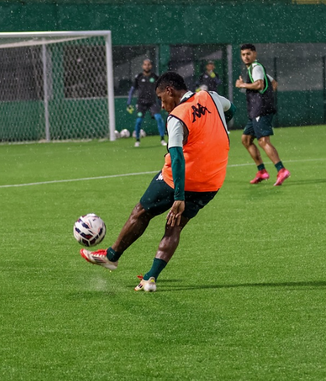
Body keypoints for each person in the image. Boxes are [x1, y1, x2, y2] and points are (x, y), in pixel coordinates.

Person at [81, 72, 233, 292]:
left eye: (162, 98)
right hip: (211, 182)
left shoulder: (177, 117)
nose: (162, 105)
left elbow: (178, 158)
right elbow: (232, 109)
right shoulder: (210, 97)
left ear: (170, 90)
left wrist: (179, 196)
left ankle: (112, 256)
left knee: (141, 211)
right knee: (175, 227)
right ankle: (150, 278)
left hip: (178, 179)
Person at [235, 43, 290, 186]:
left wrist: (243, 86)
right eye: (243, 54)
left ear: (255, 54)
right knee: (246, 139)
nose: (246, 57)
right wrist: (266, 97)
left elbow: (259, 85)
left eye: (248, 54)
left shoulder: (256, 67)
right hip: (256, 110)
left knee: (263, 141)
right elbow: (273, 83)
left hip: (260, 110)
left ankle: (281, 170)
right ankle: (262, 171)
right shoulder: (253, 68)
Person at [127, 59, 166, 147]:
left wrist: (162, 102)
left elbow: (161, 90)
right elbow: (132, 90)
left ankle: (162, 139)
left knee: (159, 118)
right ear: (142, 66)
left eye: (148, 64)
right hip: (141, 103)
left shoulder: (155, 77)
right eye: (145, 64)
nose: (146, 66)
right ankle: (137, 140)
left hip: (152, 102)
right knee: (138, 121)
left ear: (151, 66)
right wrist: (128, 102)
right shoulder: (138, 77)